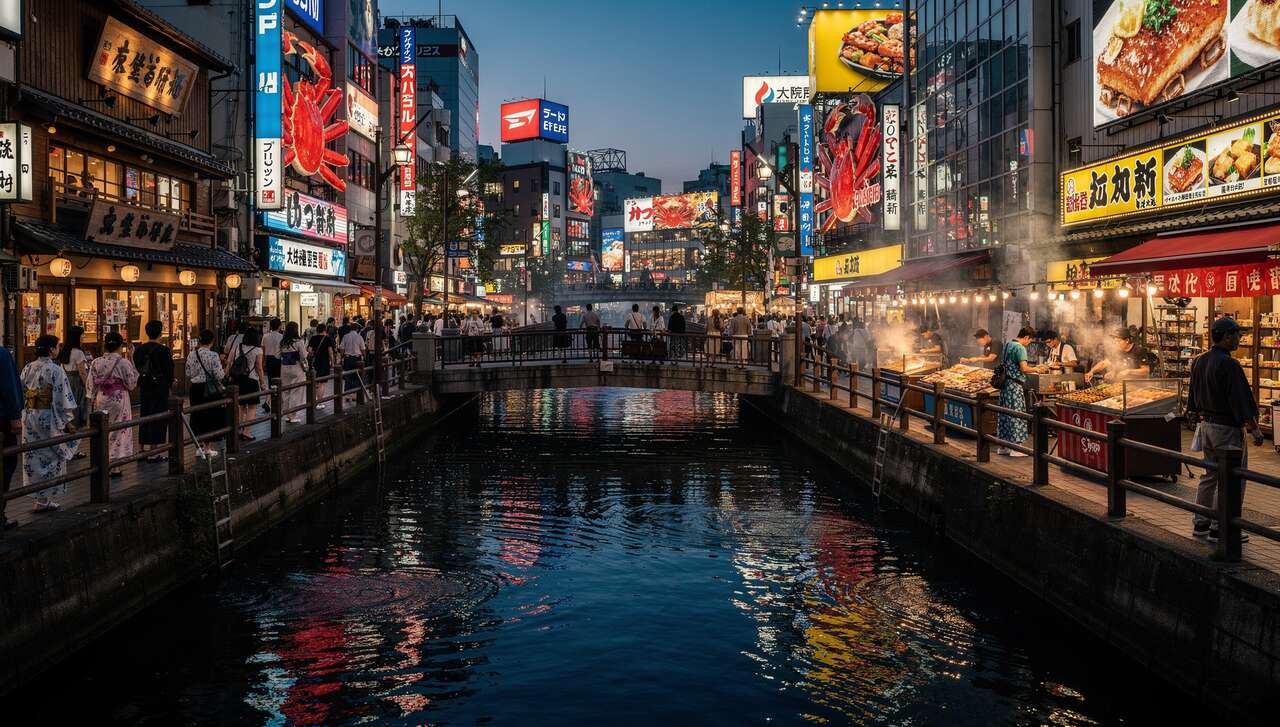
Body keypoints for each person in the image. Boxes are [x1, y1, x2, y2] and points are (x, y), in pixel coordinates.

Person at [1187, 317, 1264, 543]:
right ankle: (1221, 528)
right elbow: (1239, 401)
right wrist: (1255, 429)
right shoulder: (1230, 364)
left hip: (1206, 425)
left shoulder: (1199, 361)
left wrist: (1193, 413)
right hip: (1227, 428)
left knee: (1209, 474)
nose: (1240, 338)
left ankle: (1201, 522)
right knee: (1230, 478)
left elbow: (1192, 397)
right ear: (1227, 336)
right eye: (1237, 334)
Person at [20, 335, 78, 512]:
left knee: (33, 454)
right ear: (52, 350)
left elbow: (22, 389)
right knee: (51, 454)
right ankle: (43, 499)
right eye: (57, 346)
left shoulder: (28, 367)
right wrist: (68, 421)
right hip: (49, 416)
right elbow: (62, 398)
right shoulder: (56, 370)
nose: (59, 349)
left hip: (30, 415)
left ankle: (40, 498)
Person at [86, 331, 140, 477]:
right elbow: (131, 384)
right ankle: (115, 466)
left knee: (103, 429)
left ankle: (102, 461)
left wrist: (92, 397)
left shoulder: (96, 362)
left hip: (102, 397)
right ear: (119, 345)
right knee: (118, 430)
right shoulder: (123, 362)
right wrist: (131, 357)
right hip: (119, 398)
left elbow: (91, 383)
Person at [995, 326, 1044, 457]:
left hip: (1005, 385)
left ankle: (1004, 446)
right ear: (1027, 337)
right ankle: (1016, 448)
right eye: (1030, 341)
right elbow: (1024, 368)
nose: (1029, 344)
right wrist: (1037, 369)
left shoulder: (1008, 344)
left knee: (1005, 415)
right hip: (1015, 386)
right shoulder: (1020, 348)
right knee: (1016, 415)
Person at [133, 320, 174, 462]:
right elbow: (169, 371)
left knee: (145, 415)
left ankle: (141, 448)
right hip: (160, 387)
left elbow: (137, 367)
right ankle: (154, 451)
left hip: (145, 386)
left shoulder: (139, 350)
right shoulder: (164, 350)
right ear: (160, 332)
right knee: (158, 417)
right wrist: (170, 385)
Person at [186, 330, 226, 441]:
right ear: (212, 341)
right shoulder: (213, 355)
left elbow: (188, 373)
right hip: (210, 388)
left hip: (195, 388)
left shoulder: (191, 355)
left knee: (196, 414)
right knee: (210, 414)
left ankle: (199, 444)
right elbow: (219, 375)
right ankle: (207, 444)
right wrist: (224, 370)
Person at [228, 328, 264, 441]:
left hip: (238, 379)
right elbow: (259, 367)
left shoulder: (238, 346)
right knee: (252, 407)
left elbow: (230, 361)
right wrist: (262, 382)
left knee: (241, 406)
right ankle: (247, 432)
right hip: (252, 379)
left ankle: (239, 430)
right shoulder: (258, 350)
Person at [0, 343, 21, 530]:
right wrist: (15, 416)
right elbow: (9, 386)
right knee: (7, 463)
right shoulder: (2, 355)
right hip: (2, 419)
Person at [1086, 328, 1155, 381]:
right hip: (1120, 385)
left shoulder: (1139, 351)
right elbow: (1104, 363)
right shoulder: (1118, 351)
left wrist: (1129, 371)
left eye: (1118, 341)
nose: (1116, 344)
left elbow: (1146, 371)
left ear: (1127, 340)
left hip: (1136, 386)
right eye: (1115, 341)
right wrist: (1091, 372)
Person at [56, 325, 90, 429]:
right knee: (78, 404)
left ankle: (67, 424)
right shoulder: (78, 353)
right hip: (76, 382)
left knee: (67, 404)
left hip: (66, 379)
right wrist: (88, 386)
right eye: (82, 335)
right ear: (77, 337)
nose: (83, 337)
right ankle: (76, 425)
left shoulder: (64, 350)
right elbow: (82, 373)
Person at [279, 322, 308, 424]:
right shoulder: (298, 342)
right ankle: (292, 415)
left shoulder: (282, 342)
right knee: (296, 391)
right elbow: (303, 356)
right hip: (296, 368)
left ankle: (286, 414)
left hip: (284, 368)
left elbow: (278, 355)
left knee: (285, 391)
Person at [308, 324, 337, 410]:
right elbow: (330, 352)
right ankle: (319, 402)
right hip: (324, 362)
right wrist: (332, 362)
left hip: (315, 362)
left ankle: (314, 400)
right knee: (322, 382)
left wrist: (312, 353)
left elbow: (309, 350)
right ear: (325, 330)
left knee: (316, 382)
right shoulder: (327, 339)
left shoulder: (313, 338)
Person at [340, 321, 366, 397]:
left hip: (348, 358)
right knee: (356, 376)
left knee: (348, 375)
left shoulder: (345, 336)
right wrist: (364, 356)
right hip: (357, 359)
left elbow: (341, 348)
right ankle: (354, 394)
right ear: (357, 329)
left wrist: (342, 356)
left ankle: (347, 394)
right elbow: (363, 349)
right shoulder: (359, 337)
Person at [262, 318, 283, 398]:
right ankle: (277, 396)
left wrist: (263, 361)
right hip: (278, 359)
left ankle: (271, 396)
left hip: (268, 359)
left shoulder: (265, 336)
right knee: (278, 378)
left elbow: (263, 350)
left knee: (270, 379)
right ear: (279, 326)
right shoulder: (281, 337)